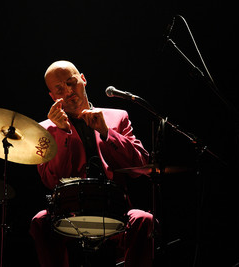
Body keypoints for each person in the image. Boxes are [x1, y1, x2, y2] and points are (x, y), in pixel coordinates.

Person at [29, 60, 155, 267]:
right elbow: (51, 180)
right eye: (59, 88)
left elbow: (140, 166)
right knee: (40, 222)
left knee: (145, 220)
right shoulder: (45, 130)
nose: (68, 91)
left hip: (116, 212)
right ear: (52, 97)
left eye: (71, 82)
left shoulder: (117, 117)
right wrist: (62, 133)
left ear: (83, 80)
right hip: (67, 214)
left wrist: (107, 132)